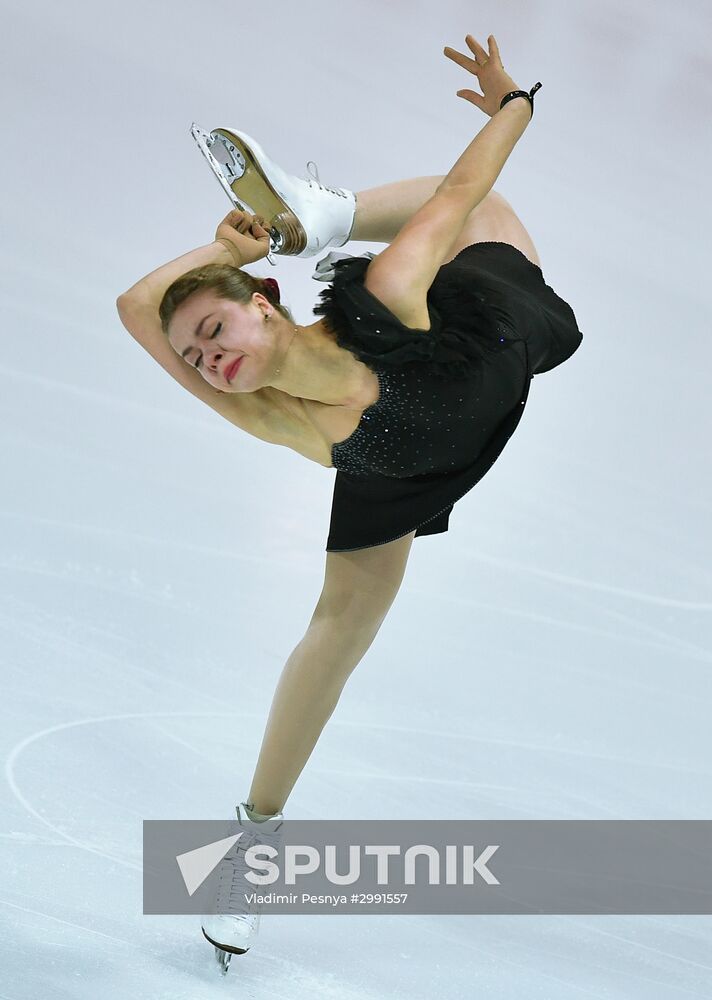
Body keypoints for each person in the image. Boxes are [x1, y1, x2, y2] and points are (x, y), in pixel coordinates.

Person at [116, 34, 582, 966]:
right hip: (400, 467)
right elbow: (137, 308)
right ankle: (254, 844)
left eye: (213, 328)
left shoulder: (390, 291)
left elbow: (457, 194)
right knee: (334, 640)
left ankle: (316, 220)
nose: (208, 359)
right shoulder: (279, 418)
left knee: (484, 210)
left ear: (267, 302)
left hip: (483, 332)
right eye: (198, 356)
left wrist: (514, 102)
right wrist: (222, 251)